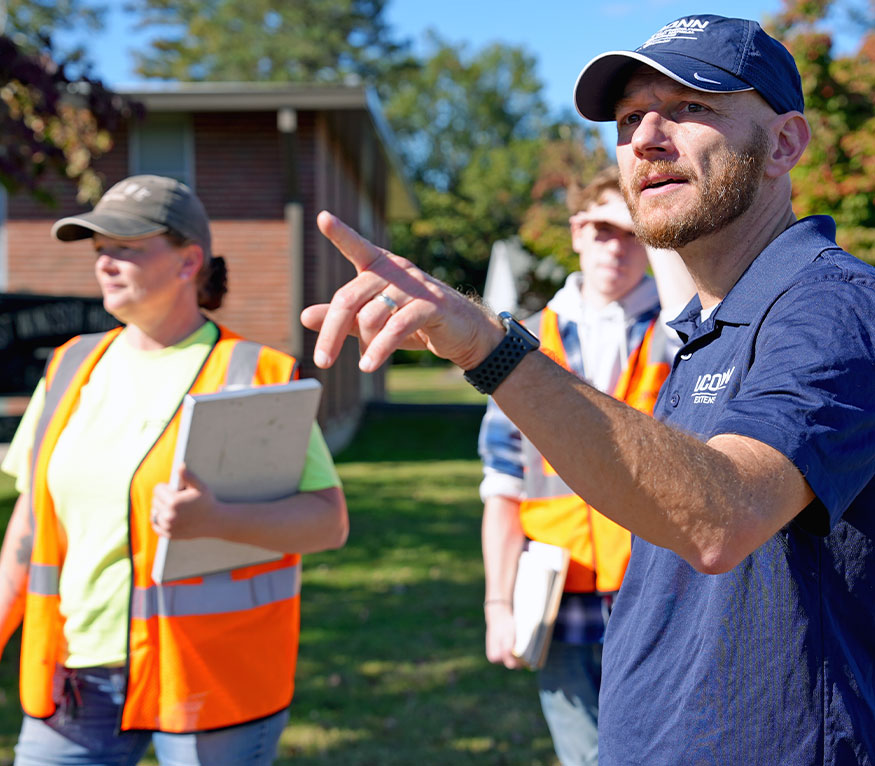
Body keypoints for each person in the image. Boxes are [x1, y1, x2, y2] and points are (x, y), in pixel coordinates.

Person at [301, 14, 875, 764]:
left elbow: (721, 517)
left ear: (785, 143)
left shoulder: (833, 306)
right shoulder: (708, 323)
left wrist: (489, 349)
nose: (645, 139)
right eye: (629, 118)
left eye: (690, 106)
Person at [0, 174, 349, 766]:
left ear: (189, 262)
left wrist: (215, 518)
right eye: (99, 248)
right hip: (76, 680)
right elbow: (29, 528)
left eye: (126, 247)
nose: (105, 262)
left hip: (209, 685)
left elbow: (327, 522)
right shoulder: (69, 367)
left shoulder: (252, 373)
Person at [478, 166, 692, 765]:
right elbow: (503, 484)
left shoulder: (683, 333)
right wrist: (499, 604)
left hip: (658, 583)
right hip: (557, 588)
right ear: (576, 231)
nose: (615, 246)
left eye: (632, 232)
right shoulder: (525, 341)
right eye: (602, 229)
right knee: (582, 755)